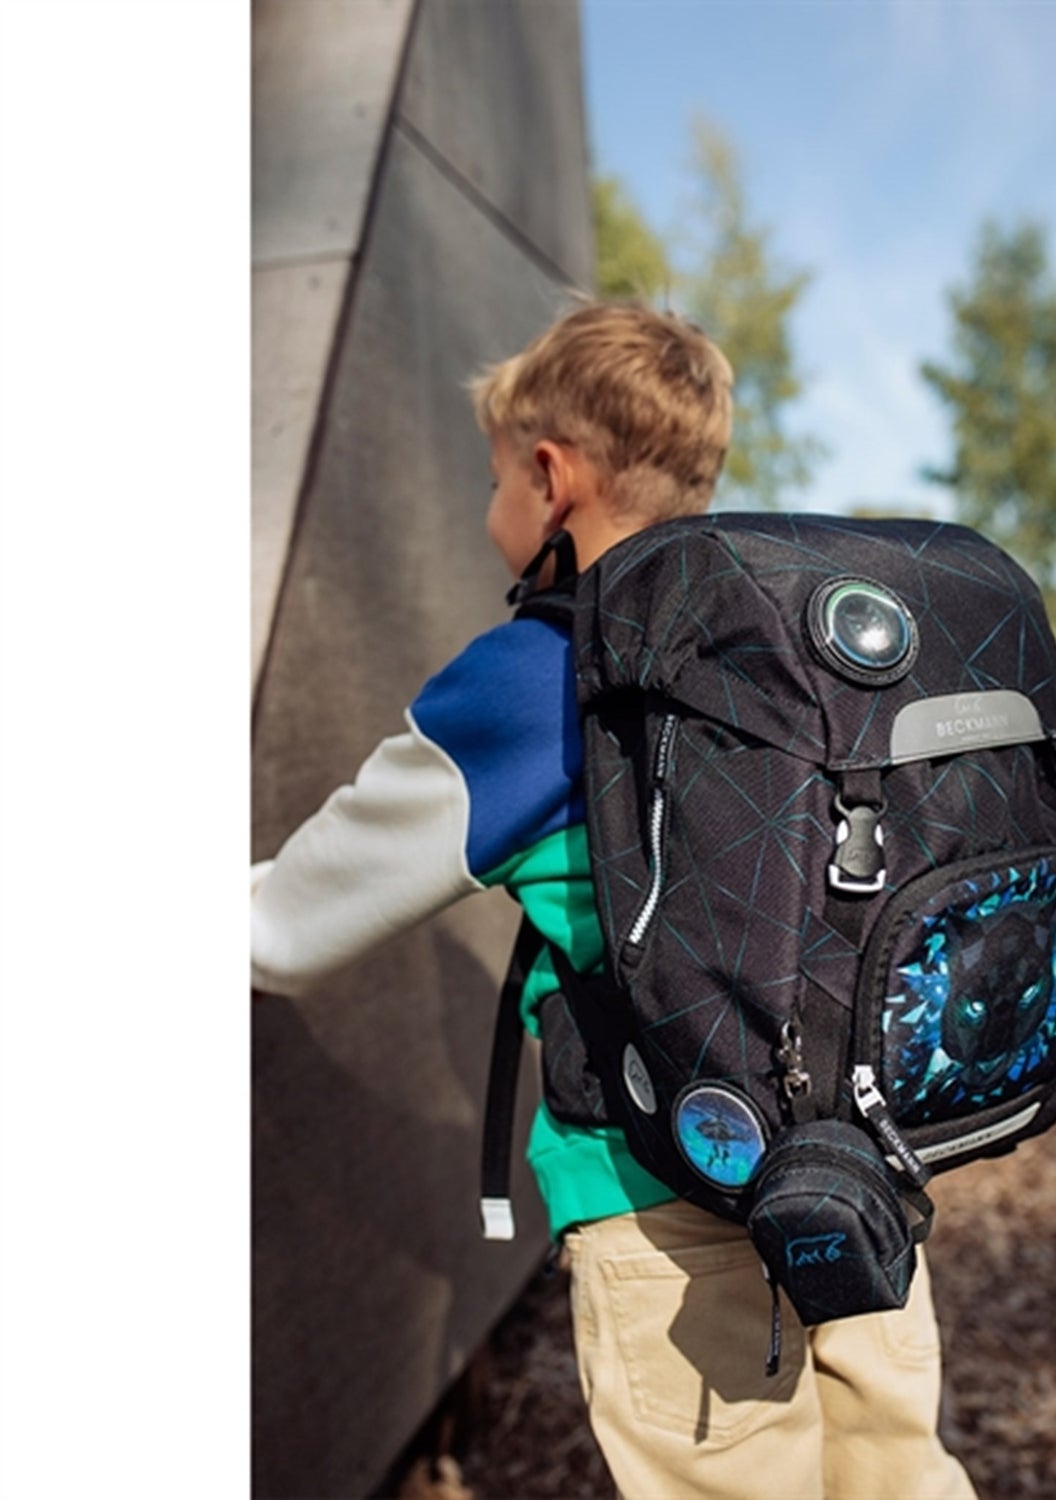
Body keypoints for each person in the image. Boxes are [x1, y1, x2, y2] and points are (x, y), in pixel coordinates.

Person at [251, 300, 977, 1500]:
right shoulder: (804, 651)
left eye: (494, 477)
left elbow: (283, 927)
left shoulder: (528, 683)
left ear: (551, 477)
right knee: (903, 1479)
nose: (490, 506)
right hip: (867, 1174)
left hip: (663, 1202)